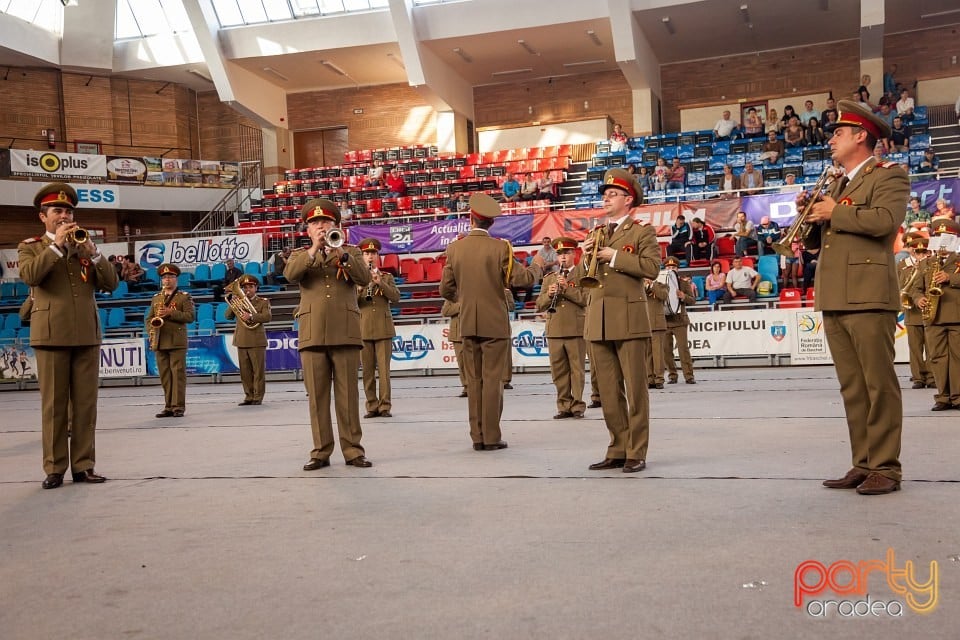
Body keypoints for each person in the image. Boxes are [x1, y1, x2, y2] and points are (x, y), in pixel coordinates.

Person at [801, 99, 909, 495]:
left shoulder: (889, 176)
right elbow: (821, 243)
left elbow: (885, 223)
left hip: (868, 293)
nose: (831, 139)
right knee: (852, 385)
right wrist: (812, 218)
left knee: (878, 383)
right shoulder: (836, 185)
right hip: (836, 294)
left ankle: (886, 466)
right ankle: (863, 462)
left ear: (861, 136)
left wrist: (834, 212)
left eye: (839, 133)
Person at [17, 183, 119, 489]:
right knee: (54, 406)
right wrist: (57, 247)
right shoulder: (32, 247)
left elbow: (111, 284)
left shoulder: (83, 245)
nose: (64, 215)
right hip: (50, 335)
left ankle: (84, 465)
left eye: (69, 211)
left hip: (86, 334)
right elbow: (31, 276)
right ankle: (55, 468)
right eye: (57, 211)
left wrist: (96, 254)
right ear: (43, 217)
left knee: (86, 405)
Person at [439, 193, 545, 451]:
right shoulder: (501, 248)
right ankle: (492, 436)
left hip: (467, 322)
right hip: (494, 322)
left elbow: (445, 289)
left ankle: (477, 436)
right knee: (493, 380)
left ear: (470, 218)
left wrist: (464, 298)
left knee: (474, 381)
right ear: (491, 223)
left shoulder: (455, 249)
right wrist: (539, 265)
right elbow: (524, 280)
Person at [573, 168, 660, 473]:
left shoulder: (641, 232)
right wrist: (586, 257)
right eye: (605, 194)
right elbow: (588, 277)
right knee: (608, 392)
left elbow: (652, 268)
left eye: (612, 194)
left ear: (628, 199)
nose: (606, 198)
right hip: (598, 319)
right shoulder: (596, 233)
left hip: (629, 317)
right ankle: (618, 448)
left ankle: (637, 451)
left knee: (635, 390)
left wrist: (613, 256)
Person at [284, 198, 374, 470]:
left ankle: (353, 451)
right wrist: (314, 250)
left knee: (348, 397)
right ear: (307, 230)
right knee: (318, 398)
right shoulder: (301, 255)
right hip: (312, 335)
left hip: (345, 332)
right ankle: (321, 452)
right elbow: (291, 275)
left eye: (325, 223)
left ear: (337, 225)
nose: (321, 227)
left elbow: (364, 279)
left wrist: (343, 255)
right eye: (315, 224)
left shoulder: (350, 252)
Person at [535, 237, 588, 418]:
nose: (563, 257)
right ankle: (563, 405)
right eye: (559, 254)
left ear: (574, 254)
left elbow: (586, 299)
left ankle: (577, 405)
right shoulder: (550, 278)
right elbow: (539, 305)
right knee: (559, 371)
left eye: (566, 253)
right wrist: (549, 295)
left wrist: (566, 289)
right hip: (555, 330)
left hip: (576, 329)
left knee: (576, 370)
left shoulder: (582, 275)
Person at [911, 219, 960, 411]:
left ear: (954, 239)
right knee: (937, 358)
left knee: (957, 357)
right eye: (938, 237)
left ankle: (957, 396)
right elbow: (915, 288)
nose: (941, 241)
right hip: (933, 317)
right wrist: (919, 299)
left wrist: (951, 278)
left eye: (945, 237)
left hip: (956, 316)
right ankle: (942, 397)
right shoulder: (928, 263)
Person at [357, 238, 401, 418]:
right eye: (367, 254)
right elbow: (353, 303)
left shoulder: (387, 277)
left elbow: (396, 297)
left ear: (378, 255)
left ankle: (385, 406)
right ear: (361, 257)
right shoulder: (356, 279)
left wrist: (379, 282)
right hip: (364, 328)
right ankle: (371, 405)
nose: (370, 257)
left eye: (373, 253)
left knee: (384, 371)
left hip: (383, 328)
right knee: (367, 372)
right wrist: (360, 288)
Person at [146, 263, 195, 418]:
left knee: (178, 375)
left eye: (170, 277)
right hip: (160, 341)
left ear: (176, 279)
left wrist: (170, 313)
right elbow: (149, 319)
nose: (167, 280)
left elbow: (190, 317)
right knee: (165, 376)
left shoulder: (184, 297)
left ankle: (178, 406)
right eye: (164, 277)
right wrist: (151, 331)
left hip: (176, 341)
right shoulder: (156, 298)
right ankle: (168, 406)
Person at [225, 274, 272, 406]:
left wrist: (251, 316)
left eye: (251, 287)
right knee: (245, 372)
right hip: (241, 340)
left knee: (258, 371)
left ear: (256, 288)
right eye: (245, 287)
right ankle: (248, 396)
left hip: (257, 340)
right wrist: (232, 302)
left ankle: (257, 397)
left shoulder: (263, 301)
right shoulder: (238, 300)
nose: (247, 290)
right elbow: (227, 316)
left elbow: (267, 317)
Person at [898, 233, 935, 390]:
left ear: (928, 252)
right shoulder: (902, 265)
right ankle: (918, 377)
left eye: (924, 252)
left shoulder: (932, 265)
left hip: (931, 310)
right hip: (912, 311)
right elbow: (899, 287)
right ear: (912, 251)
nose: (920, 255)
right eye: (917, 252)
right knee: (915, 348)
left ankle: (932, 376)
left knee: (932, 347)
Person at [662, 256, 696, 384]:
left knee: (683, 349)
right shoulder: (660, 282)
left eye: (673, 267)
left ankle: (689, 375)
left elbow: (692, 301)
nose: (671, 269)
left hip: (680, 321)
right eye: (668, 267)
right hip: (665, 321)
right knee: (666, 351)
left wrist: (683, 296)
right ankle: (672, 375)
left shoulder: (684, 283)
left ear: (677, 269)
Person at [441, 298, 468, 398]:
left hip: (472, 331)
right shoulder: (452, 295)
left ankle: (477, 386)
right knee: (461, 363)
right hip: (457, 335)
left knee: (474, 362)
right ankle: (467, 387)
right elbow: (445, 311)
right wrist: (462, 305)